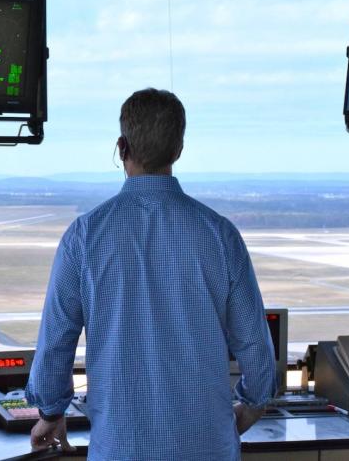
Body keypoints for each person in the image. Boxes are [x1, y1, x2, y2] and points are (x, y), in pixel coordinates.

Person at [25, 88, 277, 460]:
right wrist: (252, 406)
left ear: (121, 147)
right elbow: (255, 347)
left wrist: (50, 412)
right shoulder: (220, 235)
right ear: (178, 149)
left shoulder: (84, 237)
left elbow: (56, 344)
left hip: (120, 450)